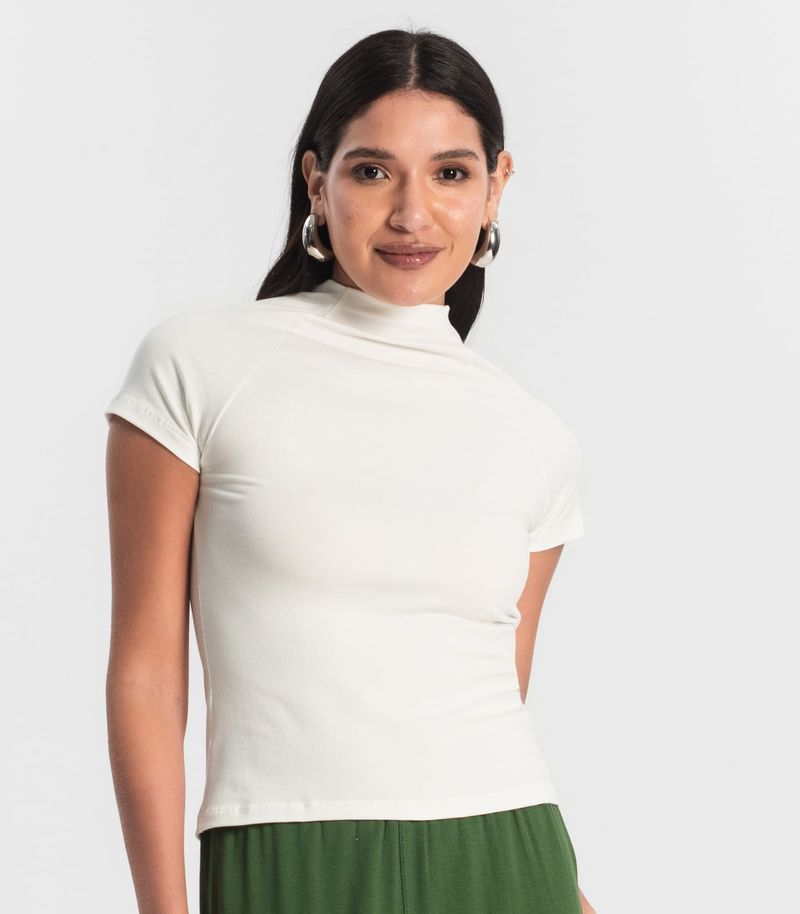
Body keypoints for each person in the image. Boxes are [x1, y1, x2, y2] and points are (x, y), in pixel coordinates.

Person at [104, 26, 597, 914]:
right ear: (316, 182)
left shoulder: (533, 434)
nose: (412, 213)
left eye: (451, 174)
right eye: (372, 171)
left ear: (496, 187)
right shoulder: (199, 366)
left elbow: (498, 698)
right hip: (290, 854)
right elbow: (145, 675)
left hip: (507, 856)